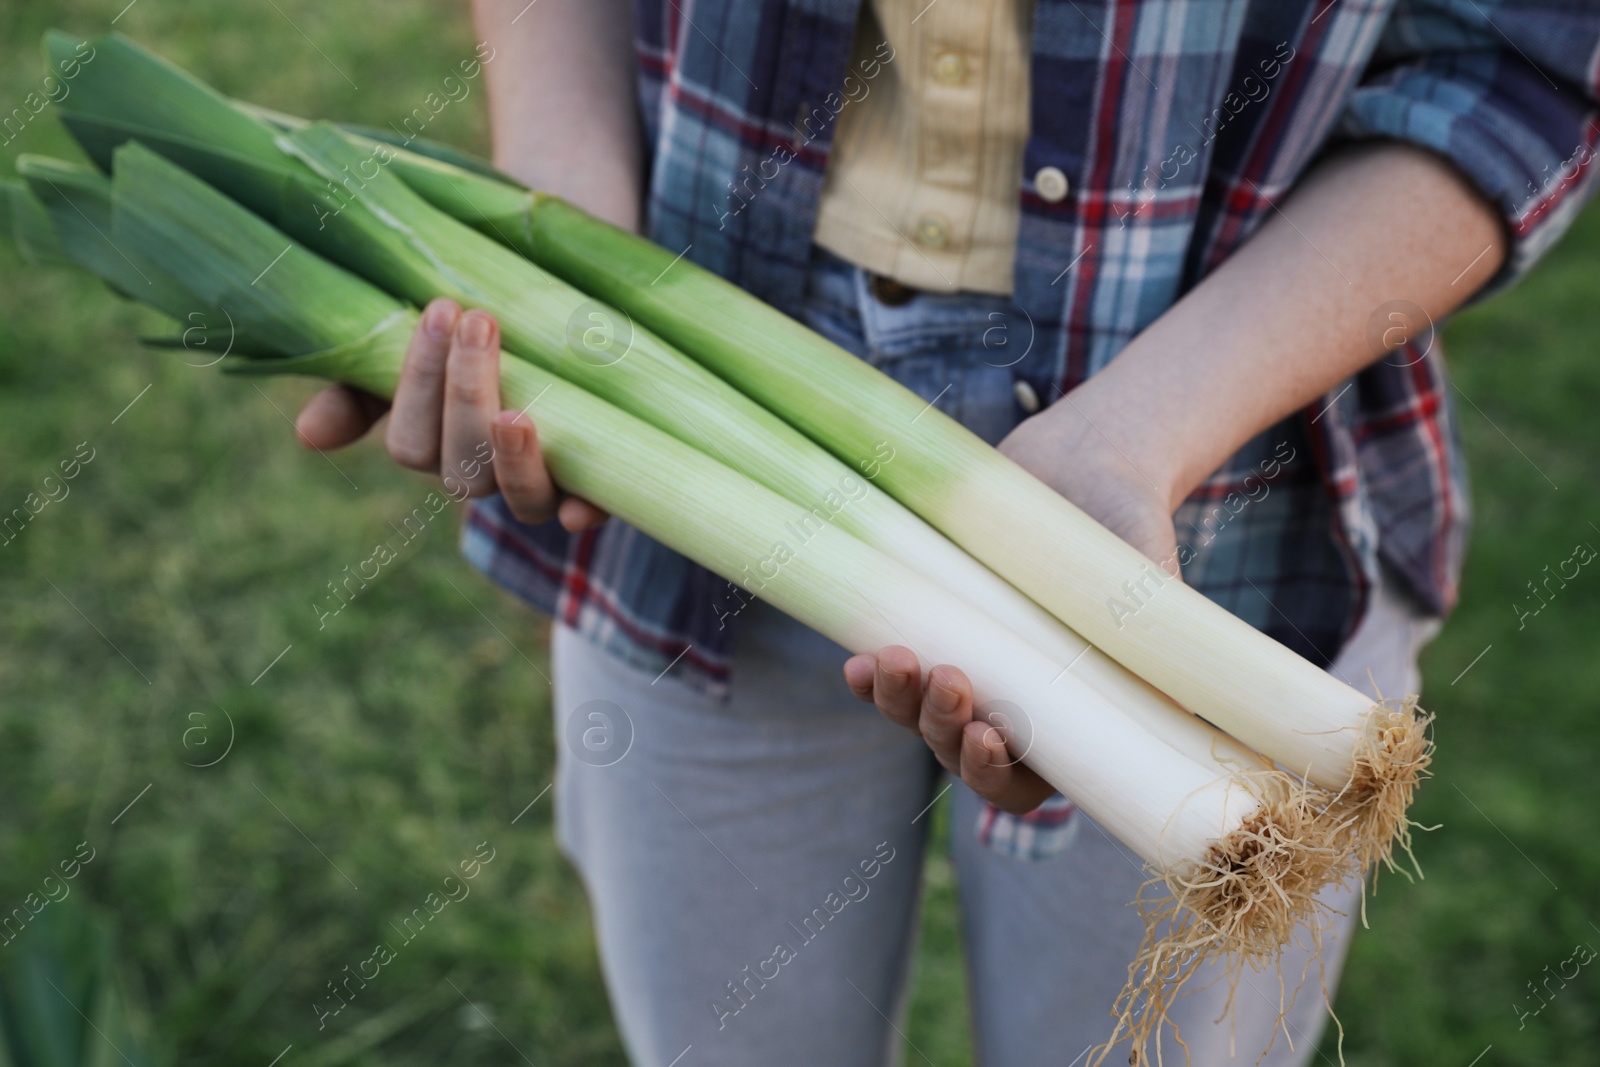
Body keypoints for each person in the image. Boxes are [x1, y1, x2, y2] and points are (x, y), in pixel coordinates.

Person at [295, 1, 1599, 1063]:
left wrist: (1135, 439)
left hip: (1227, 441)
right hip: (689, 407)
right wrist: (557, 225)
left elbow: (1525, 63)